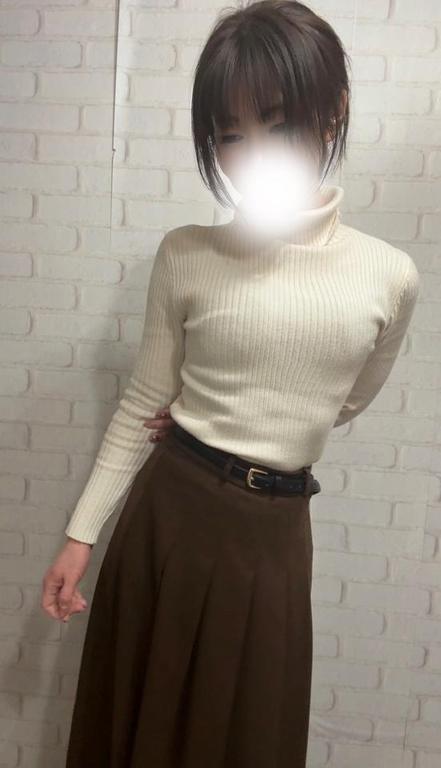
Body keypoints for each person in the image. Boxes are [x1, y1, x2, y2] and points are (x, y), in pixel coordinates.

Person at [41, 2, 420, 767]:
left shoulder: (387, 276)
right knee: (138, 731)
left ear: (333, 111)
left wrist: (257, 407)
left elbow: (340, 402)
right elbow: (142, 401)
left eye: (277, 125)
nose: (251, 156)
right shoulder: (187, 253)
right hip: (170, 519)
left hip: (274, 540)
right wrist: (80, 535)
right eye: (230, 135)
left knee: (247, 736)